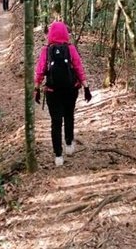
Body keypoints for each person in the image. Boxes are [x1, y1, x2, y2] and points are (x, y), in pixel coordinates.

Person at [34, 20, 92, 167]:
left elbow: (40, 71)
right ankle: (68, 143)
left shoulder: (46, 51)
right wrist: (85, 87)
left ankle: (58, 155)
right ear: (65, 34)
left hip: (53, 92)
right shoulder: (71, 49)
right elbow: (78, 67)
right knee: (69, 116)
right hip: (70, 89)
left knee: (56, 122)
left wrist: (37, 89)